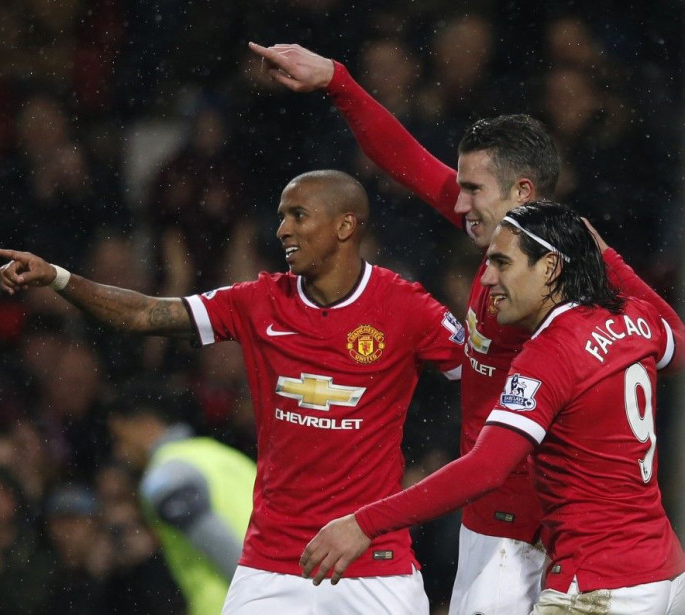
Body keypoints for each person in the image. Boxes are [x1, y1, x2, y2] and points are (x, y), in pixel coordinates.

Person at [248, 42, 685, 614]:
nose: (459, 200)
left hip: (527, 530)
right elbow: (405, 160)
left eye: (474, 189)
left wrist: (367, 521)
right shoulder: (514, 250)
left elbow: (665, 339)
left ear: (522, 193)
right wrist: (338, 81)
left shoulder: (561, 299)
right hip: (537, 530)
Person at [0, 169, 466, 614]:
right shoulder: (258, 301)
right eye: (282, 216)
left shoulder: (407, 308)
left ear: (345, 226)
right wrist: (60, 278)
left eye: (298, 215)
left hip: (374, 564)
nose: (282, 230)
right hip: (272, 564)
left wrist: (445, 458)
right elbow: (145, 315)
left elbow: (483, 381)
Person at [300, 202, 685, 614]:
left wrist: (364, 523)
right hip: (666, 575)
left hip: (596, 588)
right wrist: (610, 259)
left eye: (502, 262)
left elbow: (485, 469)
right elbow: (679, 344)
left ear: (551, 267)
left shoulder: (548, 354)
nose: (487, 277)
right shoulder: (635, 317)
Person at [106, 392, 256, 615]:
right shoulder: (224, 456)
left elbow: (219, 543)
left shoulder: (164, 476)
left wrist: (259, 600)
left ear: (145, 425)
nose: (118, 451)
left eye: (120, 438)